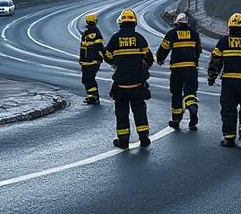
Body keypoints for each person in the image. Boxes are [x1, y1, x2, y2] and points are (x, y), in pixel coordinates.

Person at [207, 13, 241, 147]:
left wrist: (212, 76)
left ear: (229, 27)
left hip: (228, 83)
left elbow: (215, 61)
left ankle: (229, 137)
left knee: (228, 109)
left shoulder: (223, 42)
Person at [103, 9, 154, 149]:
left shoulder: (114, 39)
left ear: (121, 23)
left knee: (121, 113)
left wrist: (114, 62)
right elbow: (150, 58)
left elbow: (107, 56)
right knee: (139, 111)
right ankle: (144, 138)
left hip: (121, 85)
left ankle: (124, 141)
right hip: (138, 84)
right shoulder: (140, 39)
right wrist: (143, 68)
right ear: (134, 23)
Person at [156, 13, 203, 130]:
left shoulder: (171, 33)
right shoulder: (194, 34)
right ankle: (192, 110)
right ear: (187, 22)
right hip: (191, 68)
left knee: (176, 92)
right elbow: (198, 50)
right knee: (190, 91)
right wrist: (195, 60)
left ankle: (176, 119)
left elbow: (164, 49)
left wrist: (160, 59)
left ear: (176, 23)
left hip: (177, 69)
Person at [78, 13, 105, 105]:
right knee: (88, 79)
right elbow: (99, 47)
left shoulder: (89, 33)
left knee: (88, 79)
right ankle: (92, 96)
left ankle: (93, 97)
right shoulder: (94, 32)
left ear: (87, 22)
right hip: (89, 61)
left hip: (89, 61)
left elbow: (98, 47)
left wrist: (82, 59)